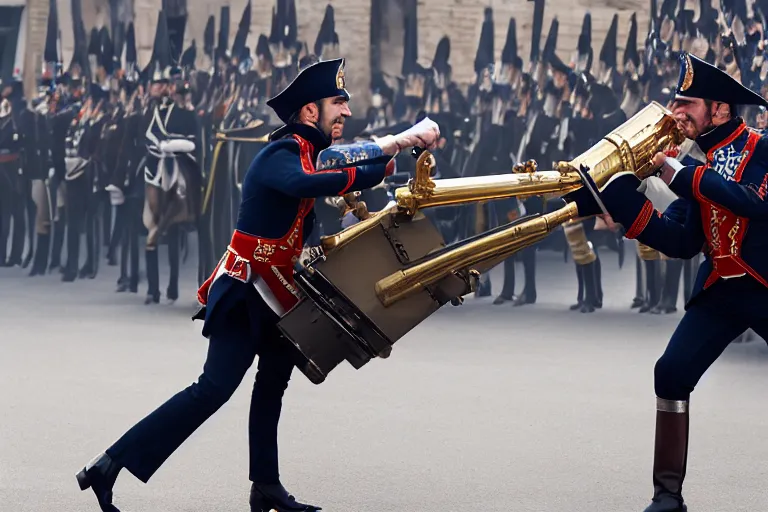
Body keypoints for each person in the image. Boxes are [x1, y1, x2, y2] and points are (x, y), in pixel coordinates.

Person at [74, 57, 439, 512]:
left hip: (278, 294)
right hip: (247, 291)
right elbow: (309, 181)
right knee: (212, 389)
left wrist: (396, 149)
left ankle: (265, 485)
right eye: (337, 104)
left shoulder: (308, 150)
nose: (345, 112)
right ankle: (108, 464)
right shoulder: (281, 154)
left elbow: (338, 166)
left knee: (272, 384)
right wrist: (386, 163)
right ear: (310, 113)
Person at [565, 52, 768, 512]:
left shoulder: (761, 147)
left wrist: (683, 174)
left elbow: (754, 203)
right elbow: (679, 240)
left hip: (765, 285)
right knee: (671, 372)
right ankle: (667, 497)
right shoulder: (695, 161)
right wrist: (621, 202)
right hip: (721, 289)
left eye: (687, 103)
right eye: (676, 101)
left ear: (719, 108)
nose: (677, 112)